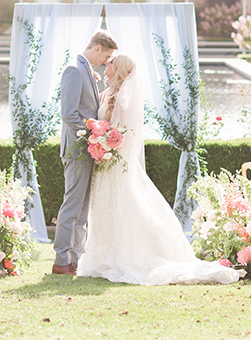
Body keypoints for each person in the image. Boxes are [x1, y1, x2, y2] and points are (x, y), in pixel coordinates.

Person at [76, 53, 242, 285]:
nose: (106, 65)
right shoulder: (108, 93)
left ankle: (135, 251)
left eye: (110, 63)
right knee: (108, 206)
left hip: (115, 163)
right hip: (104, 162)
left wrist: (104, 143)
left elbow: (121, 133)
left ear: (120, 69)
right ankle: (105, 253)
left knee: (123, 204)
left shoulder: (124, 98)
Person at [52, 29, 118, 275]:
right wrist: (95, 134)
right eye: (106, 56)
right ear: (97, 47)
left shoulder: (87, 69)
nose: (105, 62)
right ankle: (60, 262)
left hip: (87, 150)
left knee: (82, 209)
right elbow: (69, 115)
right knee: (72, 206)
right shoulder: (73, 69)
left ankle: (76, 260)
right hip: (77, 150)